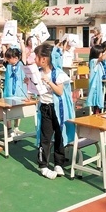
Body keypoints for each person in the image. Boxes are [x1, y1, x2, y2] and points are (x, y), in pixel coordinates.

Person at [32, 43, 74, 180]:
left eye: (36, 57)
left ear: (44, 59)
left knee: (59, 135)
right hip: (45, 107)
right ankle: (43, 165)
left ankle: (58, 163)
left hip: (57, 108)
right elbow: (34, 91)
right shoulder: (37, 73)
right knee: (45, 137)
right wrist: (30, 83)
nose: (35, 60)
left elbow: (60, 92)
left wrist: (49, 82)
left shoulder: (58, 73)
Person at [3, 46, 27, 137]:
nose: (8, 60)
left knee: (18, 110)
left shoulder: (21, 64)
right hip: (9, 92)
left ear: (16, 58)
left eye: (9, 58)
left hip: (19, 92)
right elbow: (4, 50)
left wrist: (21, 41)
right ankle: (9, 129)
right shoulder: (7, 65)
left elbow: (23, 52)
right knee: (8, 110)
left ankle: (16, 127)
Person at [86, 43, 106, 114]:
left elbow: (104, 55)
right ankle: (95, 113)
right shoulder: (93, 61)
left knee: (101, 98)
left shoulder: (99, 62)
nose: (102, 54)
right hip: (95, 85)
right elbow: (102, 57)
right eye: (101, 53)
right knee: (95, 100)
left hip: (99, 84)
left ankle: (100, 111)